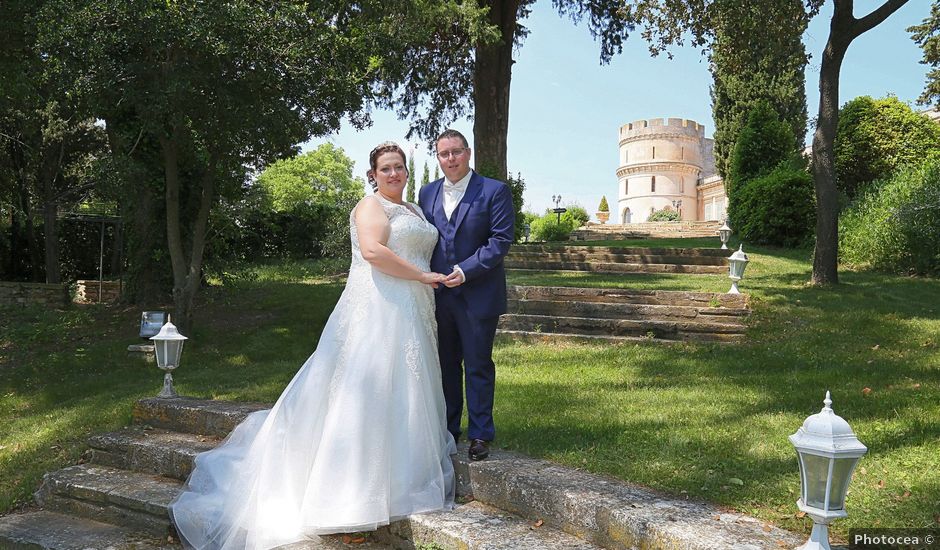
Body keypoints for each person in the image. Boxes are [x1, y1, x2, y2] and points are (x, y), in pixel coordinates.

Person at [168, 142, 456, 550]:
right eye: (385, 168)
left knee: (406, 390)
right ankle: (348, 491)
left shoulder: (414, 211)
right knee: (366, 393)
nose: (394, 174)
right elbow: (374, 252)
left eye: (400, 167)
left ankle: (403, 479)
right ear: (373, 174)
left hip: (413, 312)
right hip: (379, 309)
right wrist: (425, 278)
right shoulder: (370, 207)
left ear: (407, 172)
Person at [418, 129, 514, 462]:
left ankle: (480, 434)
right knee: (445, 365)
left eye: (456, 152)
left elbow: (500, 241)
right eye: (444, 154)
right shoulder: (427, 192)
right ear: (438, 157)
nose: (451, 159)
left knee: (477, 365)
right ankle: (446, 430)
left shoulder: (494, 191)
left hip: (478, 293)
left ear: (468, 152)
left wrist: (466, 270)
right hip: (439, 296)